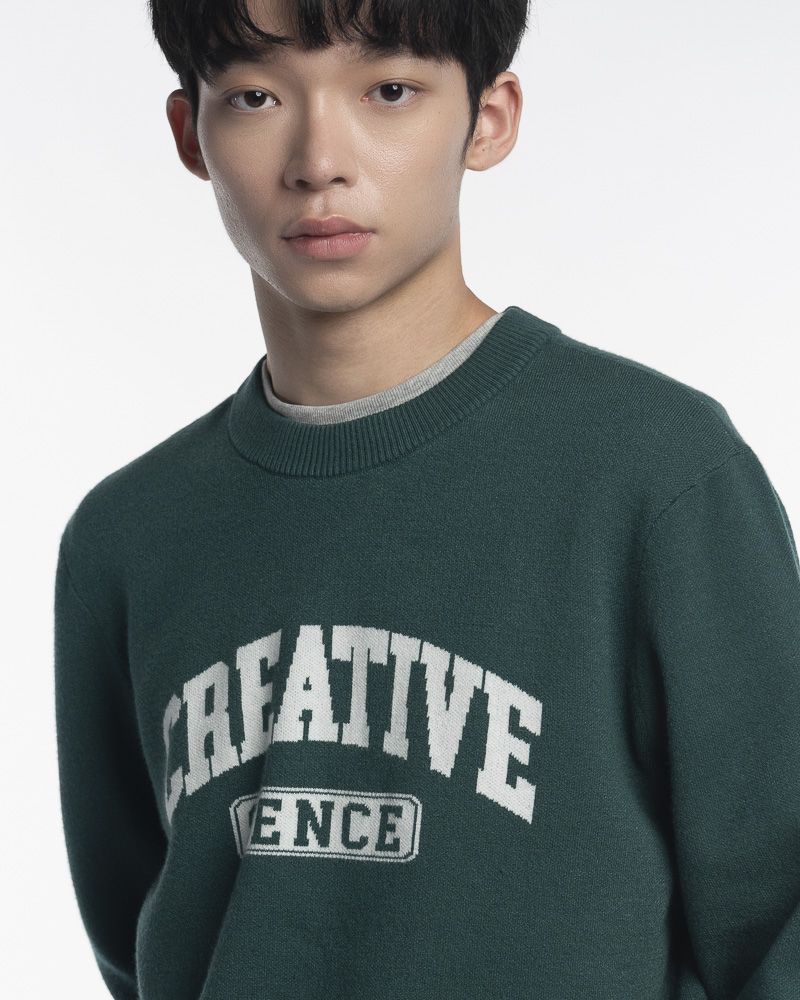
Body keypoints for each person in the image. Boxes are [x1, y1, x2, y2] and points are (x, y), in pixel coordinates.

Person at [53, 1, 800, 998]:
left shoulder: (654, 473)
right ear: (192, 134)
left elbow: (777, 920)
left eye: (390, 90)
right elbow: (142, 940)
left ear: (488, 118)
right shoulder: (129, 536)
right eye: (258, 98)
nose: (319, 161)